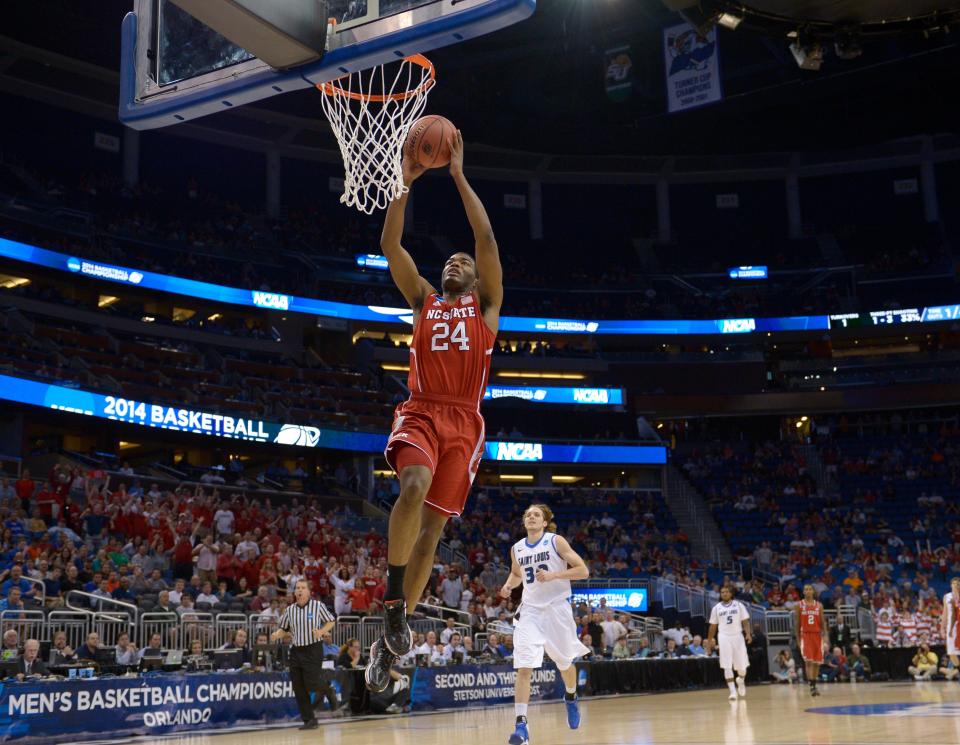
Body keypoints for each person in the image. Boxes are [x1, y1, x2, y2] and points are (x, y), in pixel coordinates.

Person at [365, 133, 504, 693]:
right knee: (413, 485)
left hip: (465, 422)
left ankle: (387, 638)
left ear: (475, 278)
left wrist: (457, 174)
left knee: (433, 533)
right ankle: (394, 600)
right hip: (422, 410)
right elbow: (391, 244)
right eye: (449, 258)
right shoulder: (423, 299)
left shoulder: (488, 308)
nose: (455, 259)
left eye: (462, 260)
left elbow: (486, 236)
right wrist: (405, 178)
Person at [499, 504, 590, 745]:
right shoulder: (516, 548)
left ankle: (570, 696)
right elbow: (517, 573)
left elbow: (583, 571)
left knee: (564, 664)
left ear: (544, 522)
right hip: (530, 612)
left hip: (557, 610)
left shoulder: (555, 541)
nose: (531, 516)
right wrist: (509, 585)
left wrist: (554, 575)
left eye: (536, 514)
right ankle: (521, 726)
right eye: (527, 514)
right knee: (524, 667)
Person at [271, 579, 336, 730]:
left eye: (303, 588)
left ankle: (328, 689)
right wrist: (277, 634)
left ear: (308, 591)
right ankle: (309, 720)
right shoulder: (290, 610)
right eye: (297, 588)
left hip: (313, 649)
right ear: (294, 593)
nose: (300, 590)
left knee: (311, 683)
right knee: (298, 687)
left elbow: (331, 621)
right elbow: (284, 629)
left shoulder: (317, 606)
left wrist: (321, 632)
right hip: (296, 650)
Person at [707, 585, 752, 701]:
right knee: (726, 665)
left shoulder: (739, 605)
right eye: (722, 592)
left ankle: (741, 680)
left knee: (742, 667)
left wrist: (748, 634)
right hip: (723, 637)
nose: (725, 594)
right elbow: (712, 626)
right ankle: (732, 691)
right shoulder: (716, 608)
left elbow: (745, 621)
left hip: (737, 636)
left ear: (731, 594)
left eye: (727, 592)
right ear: (720, 594)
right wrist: (709, 641)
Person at [797, 584, 828, 697]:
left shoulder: (819, 605)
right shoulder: (799, 605)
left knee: (817, 662)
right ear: (804, 592)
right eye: (806, 589)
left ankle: (814, 683)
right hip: (805, 635)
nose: (808, 591)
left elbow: (823, 622)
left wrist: (825, 637)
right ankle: (811, 686)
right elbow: (797, 623)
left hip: (817, 635)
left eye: (810, 589)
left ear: (813, 592)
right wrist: (797, 638)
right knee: (808, 661)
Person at [940, 577, 960, 674]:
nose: (956, 585)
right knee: (951, 652)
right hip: (951, 627)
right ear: (951, 585)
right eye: (954, 583)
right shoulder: (946, 597)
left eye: (958, 583)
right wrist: (942, 628)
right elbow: (945, 613)